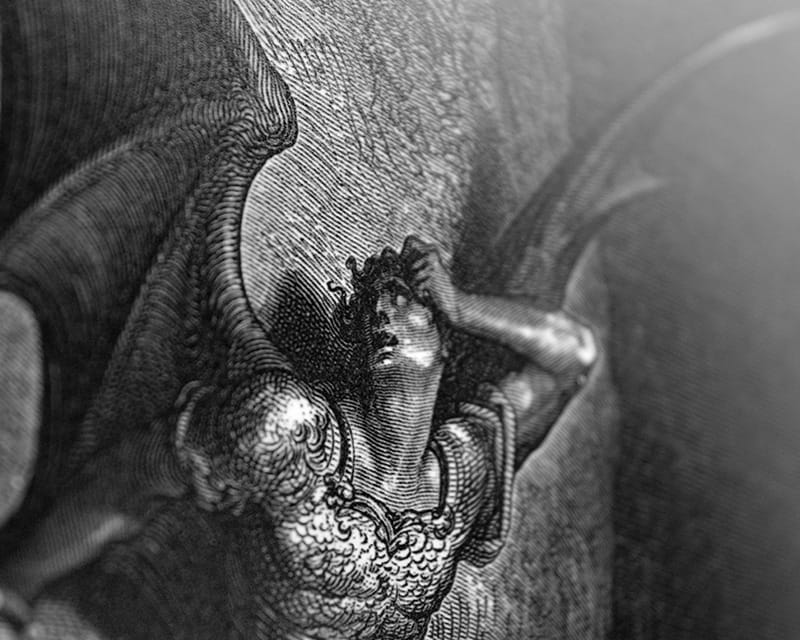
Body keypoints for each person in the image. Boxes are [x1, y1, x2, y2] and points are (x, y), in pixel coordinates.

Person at [173, 235, 597, 639]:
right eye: (369, 311)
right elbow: (151, 468)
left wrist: (461, 306)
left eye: (402, 299)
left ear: (445, 341)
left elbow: (575, 353)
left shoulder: (463, 472)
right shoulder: (297, 427)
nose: (381, 313)